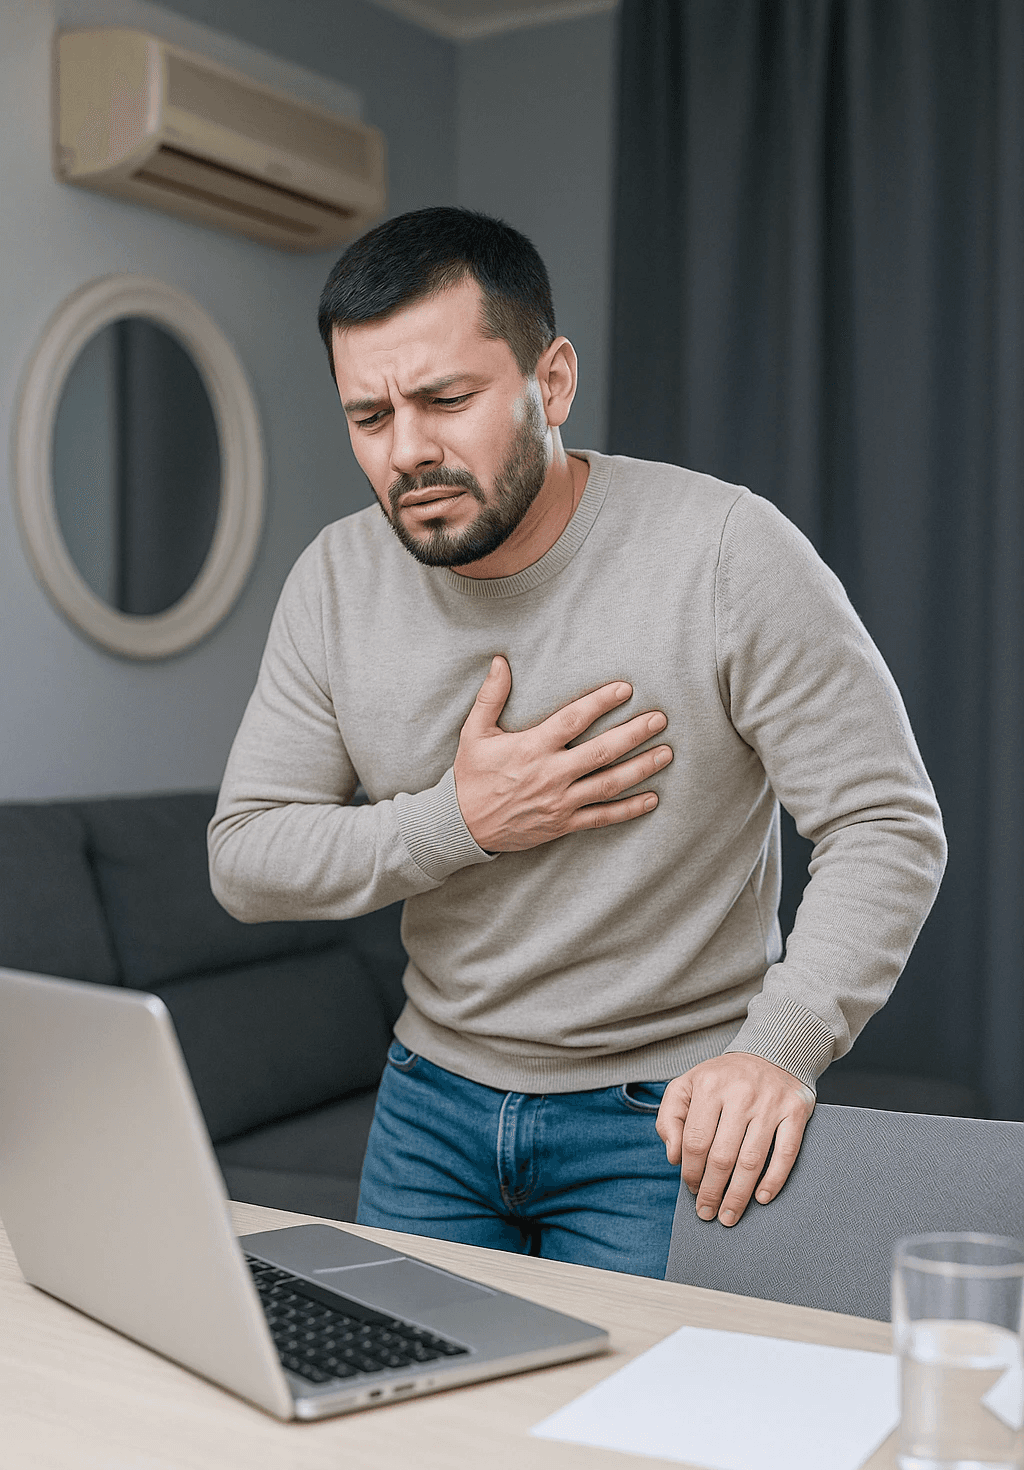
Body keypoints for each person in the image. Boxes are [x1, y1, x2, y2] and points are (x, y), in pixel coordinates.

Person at [209, 207, 946, 1279]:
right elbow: (245, 859)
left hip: (667, 1122)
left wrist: (778, 1048)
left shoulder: (727, 552)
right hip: (428, 1108)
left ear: (550, 383)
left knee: (629, 1443)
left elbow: (885, 822)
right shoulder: (334, 578)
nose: (407, 450)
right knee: (400, 1435)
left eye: (446, 401)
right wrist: (460, 822)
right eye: (368, 416)